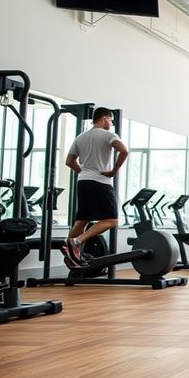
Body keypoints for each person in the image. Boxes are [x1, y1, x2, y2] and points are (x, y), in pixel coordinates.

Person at [61, 107, 129, 266]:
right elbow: (124, 151)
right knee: (112, 220)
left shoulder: (81, 137)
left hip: (83, 181)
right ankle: (76, 242)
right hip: (100, 182)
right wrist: (114, 170)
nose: (111, 124)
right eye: (111, 121)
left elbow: (69, 162)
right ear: (104, 118)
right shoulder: (108, 135)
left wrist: (83, 172)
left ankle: (72, 256)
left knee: (82, 220)